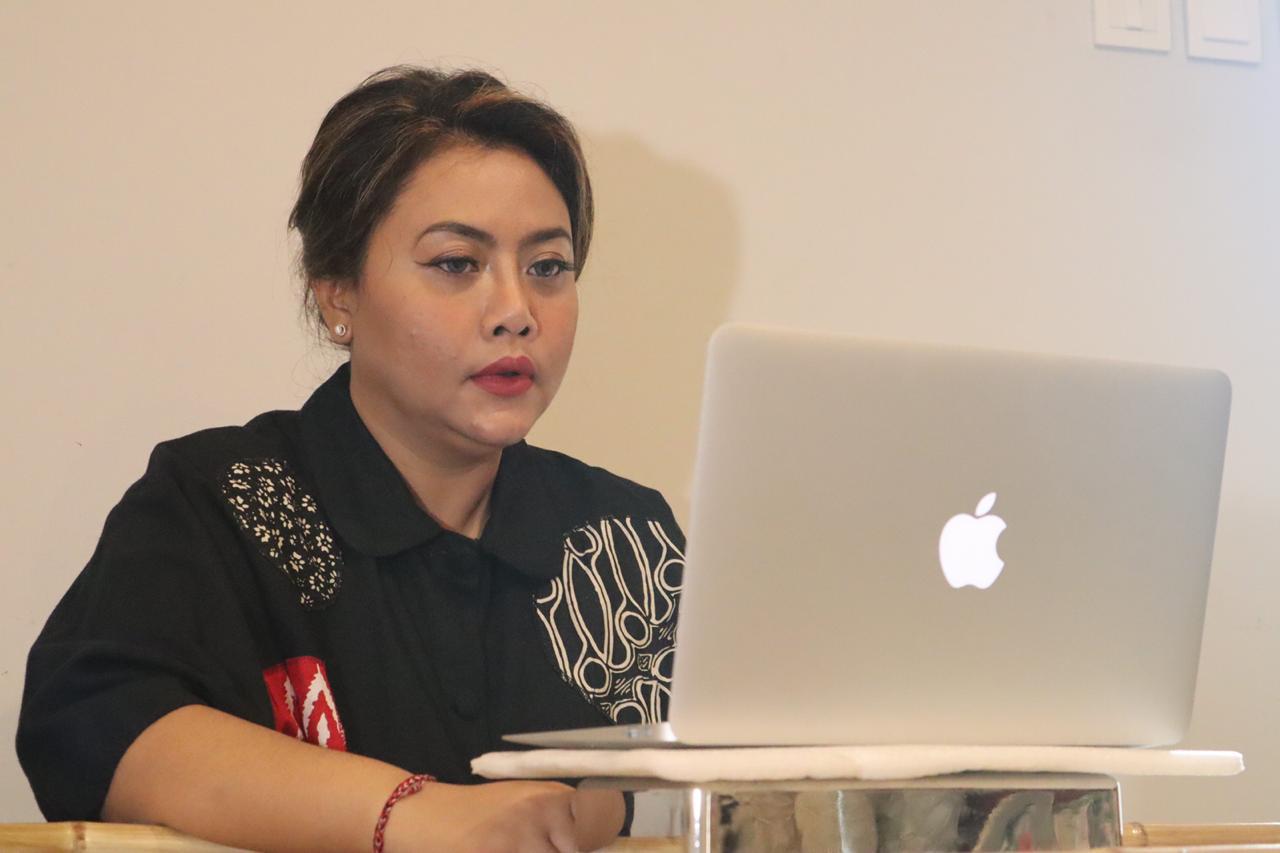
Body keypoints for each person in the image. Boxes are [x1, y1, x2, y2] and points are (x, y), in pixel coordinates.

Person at [17, 66, 685, 853]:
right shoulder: (225, 501)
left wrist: (595, 807)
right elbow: (93, 721)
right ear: (338, 294)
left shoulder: (625, 537)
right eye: (456, 263)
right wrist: (414, 813)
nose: (516, 312)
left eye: (548, 267)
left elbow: (728, 773)